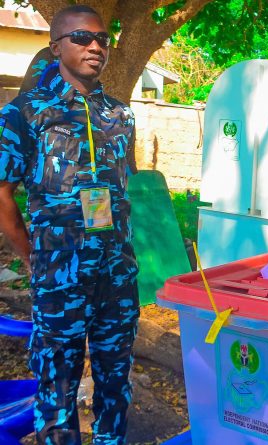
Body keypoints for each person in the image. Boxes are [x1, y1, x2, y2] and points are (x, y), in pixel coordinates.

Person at [0, 5, 139, 444]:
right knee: (57, 380)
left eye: (102, 39)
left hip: (117, 274)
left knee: (115, 380)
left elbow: (123, 193)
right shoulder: (25, 114)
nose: (95, 46)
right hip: (59, 276)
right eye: (81, 38)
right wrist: (32, 256)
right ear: (56, 46)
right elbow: (2, 193)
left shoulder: (120, 116)